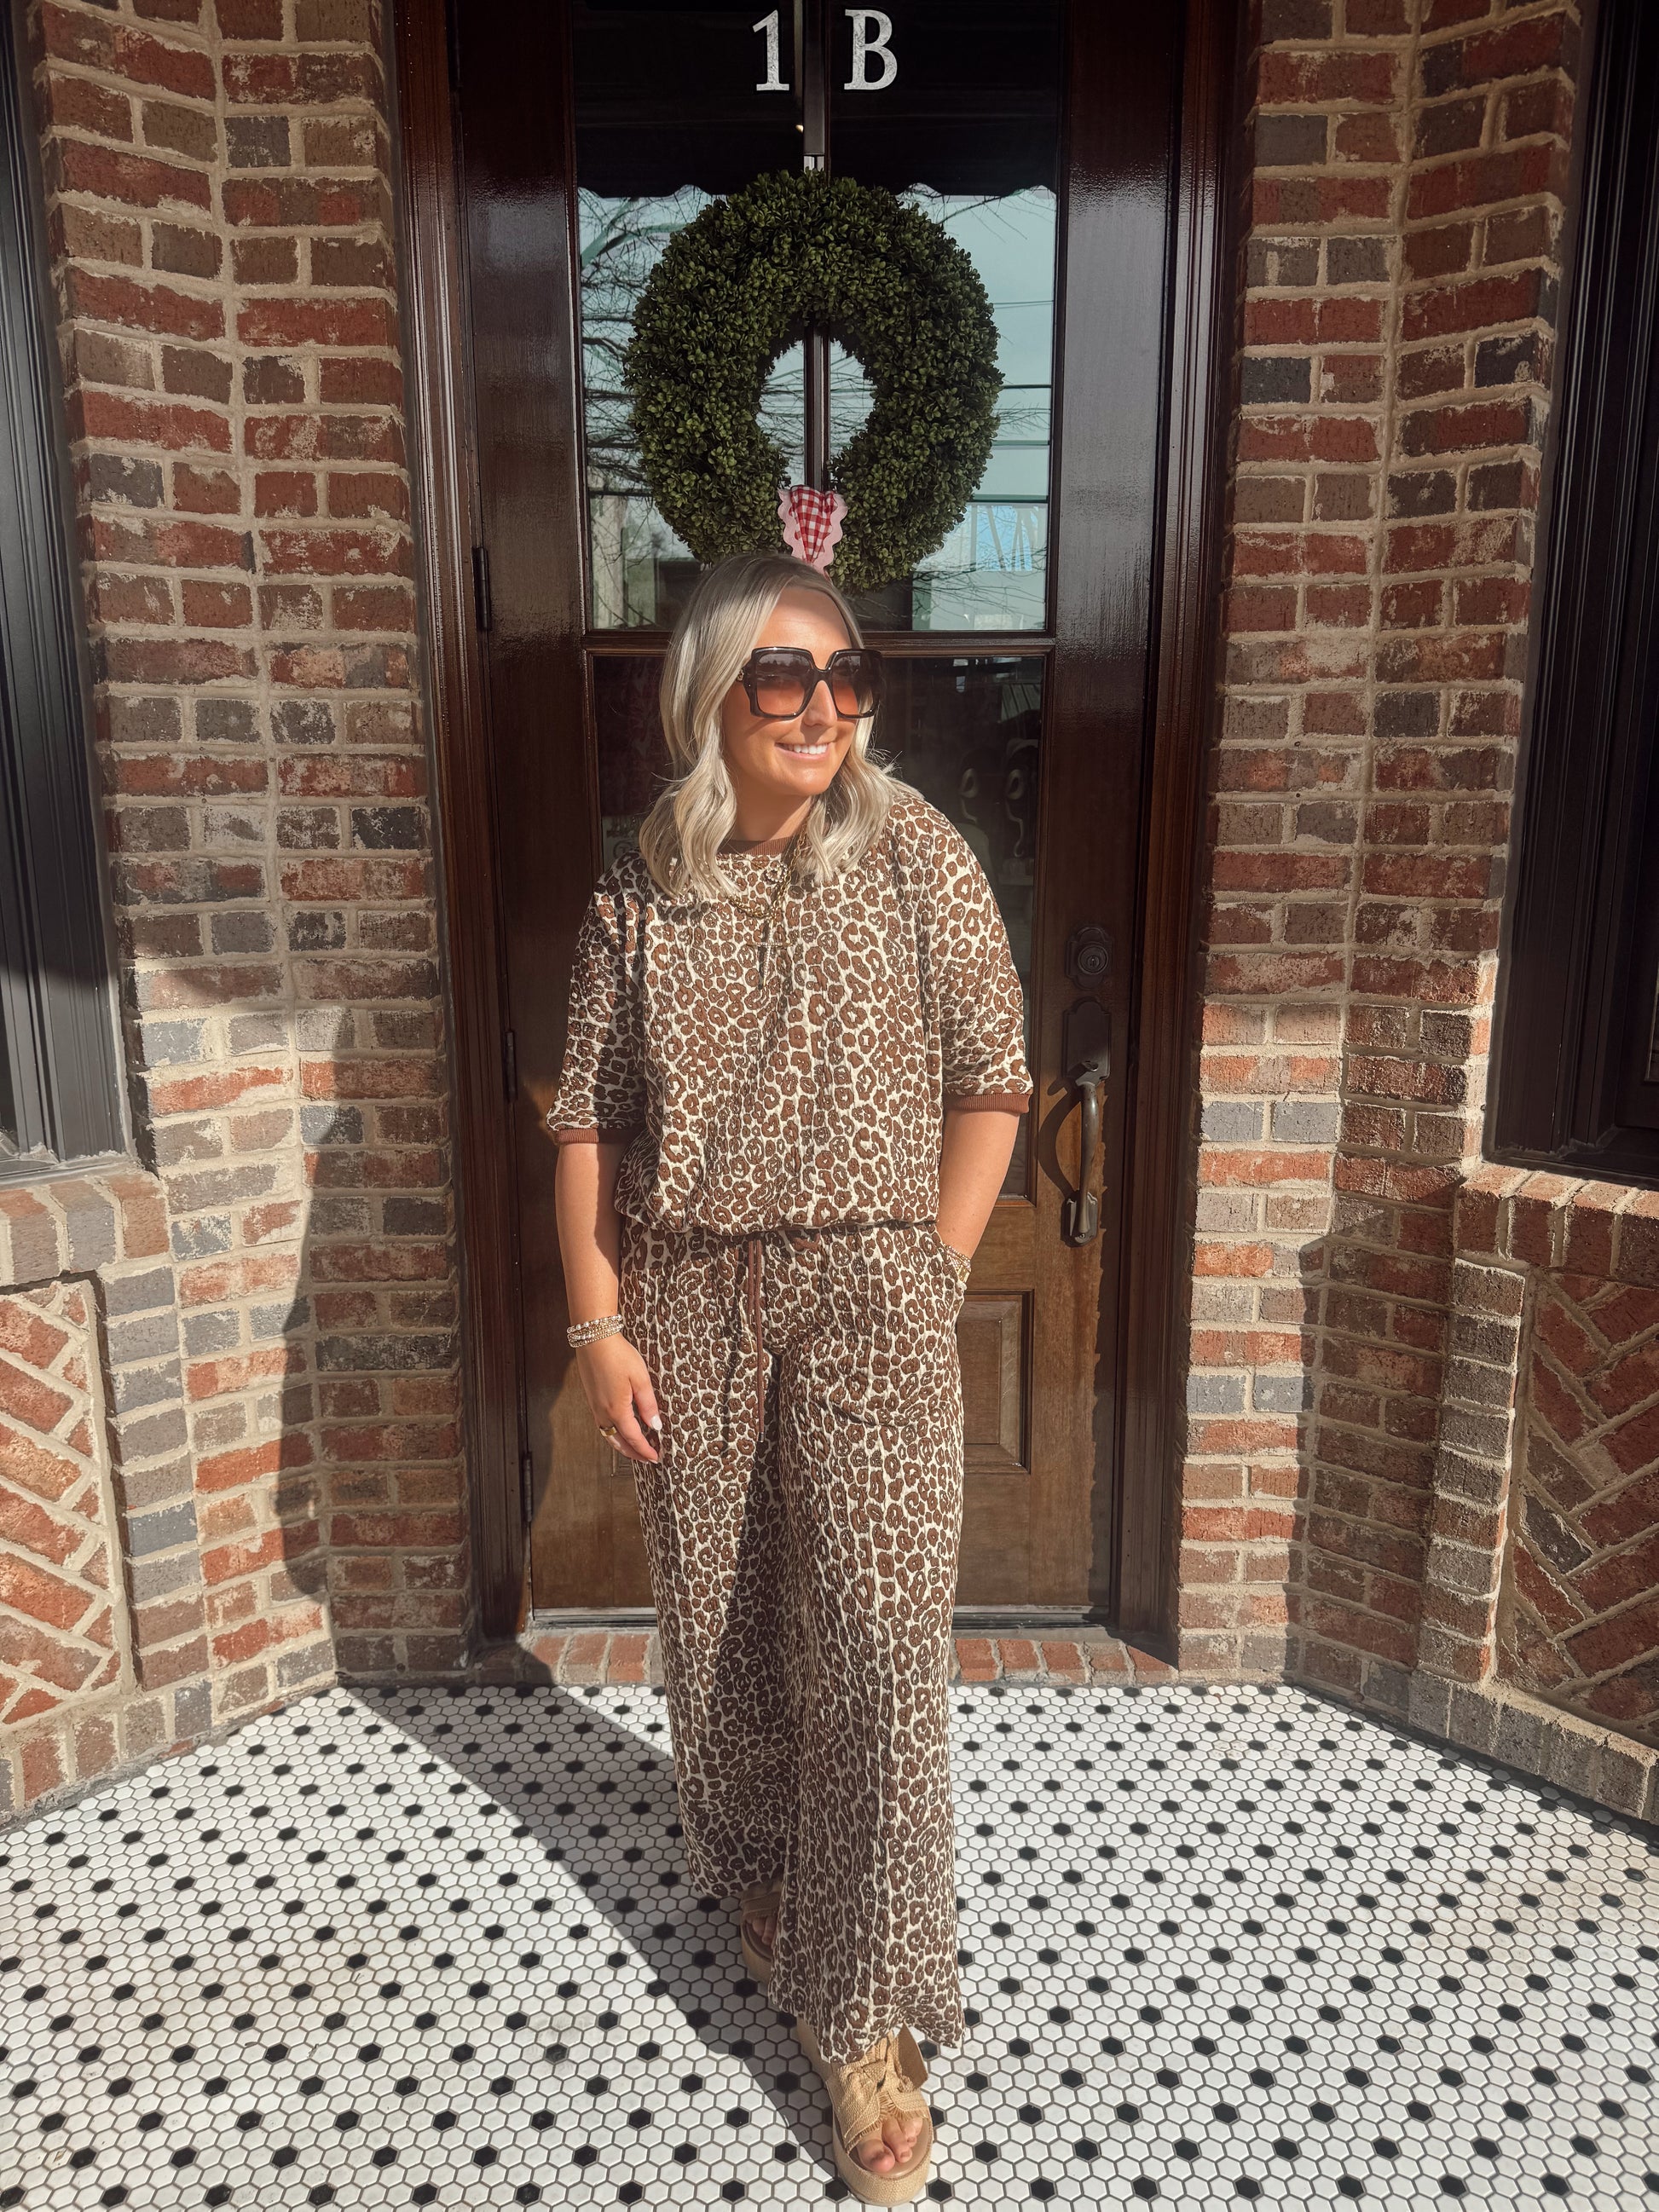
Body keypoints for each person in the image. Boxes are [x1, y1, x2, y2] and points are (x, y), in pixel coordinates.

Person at [547, 551, 1031, 2203]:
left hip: (872, 1287)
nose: (822, 706)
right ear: (711, 696)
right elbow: (587, 1116)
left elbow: (993, 1075)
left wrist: (934, 1267)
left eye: (844, 675)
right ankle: (763, 1872)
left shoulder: (914, 853)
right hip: (689, 1294)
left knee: (882, 1652)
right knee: (727, 1622)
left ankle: (868, 2017)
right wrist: (597, 1324)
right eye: (781, 675)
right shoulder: (639, 889)